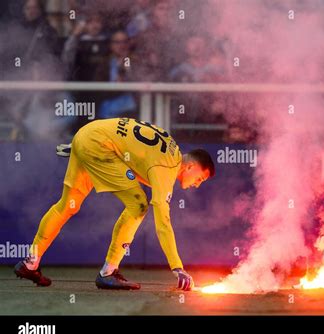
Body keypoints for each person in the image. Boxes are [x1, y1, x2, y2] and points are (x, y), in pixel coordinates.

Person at [14, 118, 215, 291]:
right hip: (98, 147)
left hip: (88, 135)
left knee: (67, 205)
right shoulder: (166, 167)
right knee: (139, 206)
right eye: (200, 179)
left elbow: (126, 134)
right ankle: (108, 272)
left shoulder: (169, 145)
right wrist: (177, 267)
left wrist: (80, 142)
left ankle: (30, 263)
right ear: (190, 167)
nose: (197, 185)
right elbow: (163, 223)